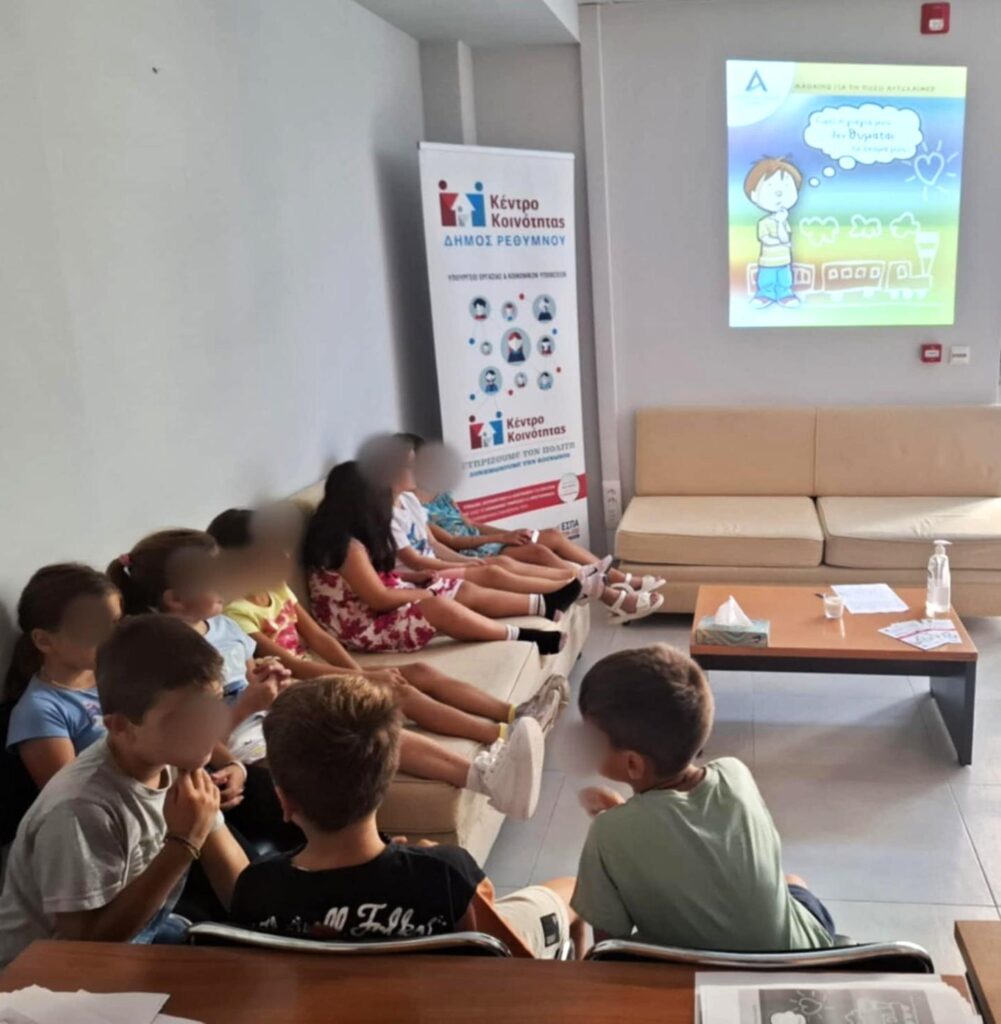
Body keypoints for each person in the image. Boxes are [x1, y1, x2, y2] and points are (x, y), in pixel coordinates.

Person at [210, 507, 553, 819]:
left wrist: (360, 674)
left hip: (309, 675)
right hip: (297, 685)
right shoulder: (238, 613)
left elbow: (319, 639)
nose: (285, 557)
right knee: (394, 699)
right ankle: (499, 738)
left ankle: (514, 715)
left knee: (417, 673)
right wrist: (362, 681)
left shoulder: (278, 590)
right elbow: (293, 667)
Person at [230, 675, 585, 958]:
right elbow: (506, 964)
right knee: (576, 890)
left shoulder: (256, 886)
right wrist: (456, 879)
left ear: (284, 801)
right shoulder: (443, 872)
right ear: (386, 781)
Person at [0, 615, 249, 965]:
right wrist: (183, 844)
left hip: (141, 939)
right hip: (48, 974)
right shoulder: (81, 808)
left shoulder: (177, 759)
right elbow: (86, 946)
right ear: (119, 726)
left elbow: (240, 890)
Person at [571, 645, 836, 951]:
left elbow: (610, 946)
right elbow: (692, 836)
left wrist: (617, 819)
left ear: (632, 764)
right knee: (794, 882)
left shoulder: (608, 833)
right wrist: (622, 813)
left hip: (689, 972)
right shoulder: (736, 774)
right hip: (799, 958)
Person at [108, 530, 297, 846]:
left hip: (257, 727)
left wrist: (269, 682)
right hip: (223, 746)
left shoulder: (226, 625)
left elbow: (250, 678)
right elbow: (189, 744)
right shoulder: (161, 654)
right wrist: (245, 715)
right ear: (175, 599)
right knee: (301, 789)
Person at [304, 460, 571, 657]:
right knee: (438, 606)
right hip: (361, 624)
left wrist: (412, 578)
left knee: (458, 588)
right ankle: (524, 636)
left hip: (373, 603)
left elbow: (369, 580)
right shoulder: (346, 546)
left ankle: (543, 604)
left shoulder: (352, 534)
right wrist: (423, 594)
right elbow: (378, 598)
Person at [399, 434, 665, 622]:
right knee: (539, 553)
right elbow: (449, 542)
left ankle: (612, 578)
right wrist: (500, 540)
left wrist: (510, 534)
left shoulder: (435, 493)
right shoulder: (415, 505)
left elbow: (470, 524)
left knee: (552, 536)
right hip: (471, 551)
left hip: (485, 544)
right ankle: (605, 587)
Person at [5, 564, 121, 790]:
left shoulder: (121, 675)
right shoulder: (39, 711)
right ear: (44, 641)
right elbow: (71, 799)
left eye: (114, 623)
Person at [745, 156, 803, 309]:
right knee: (767, 279)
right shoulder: (763, 223)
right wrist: (781, 241)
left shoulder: (783, 221)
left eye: (787, 187)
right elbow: (766, 240)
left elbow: (785, 238)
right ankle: (765, 294)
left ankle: (785, 294)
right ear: (754, 195)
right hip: (768, 261)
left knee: (785, 279)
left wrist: (780, 223)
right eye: (770, 186)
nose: (779, 193)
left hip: (784, 260)